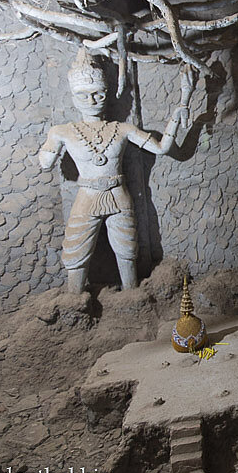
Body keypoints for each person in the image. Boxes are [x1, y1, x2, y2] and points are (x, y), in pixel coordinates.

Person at [39, 49, 188, 294]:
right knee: (76, 252)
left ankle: (131, 299)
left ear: (107, 94)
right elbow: (45, 163)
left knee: (127, 249)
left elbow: (161, 148)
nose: (91, 100)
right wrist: (49, 150)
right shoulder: (62, 131)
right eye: (83, 95)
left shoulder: (122, 128)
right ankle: (73, 301)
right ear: (73, 95)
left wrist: (180, 108)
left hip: (119, 194)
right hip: (87, 196)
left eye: (98, 93)